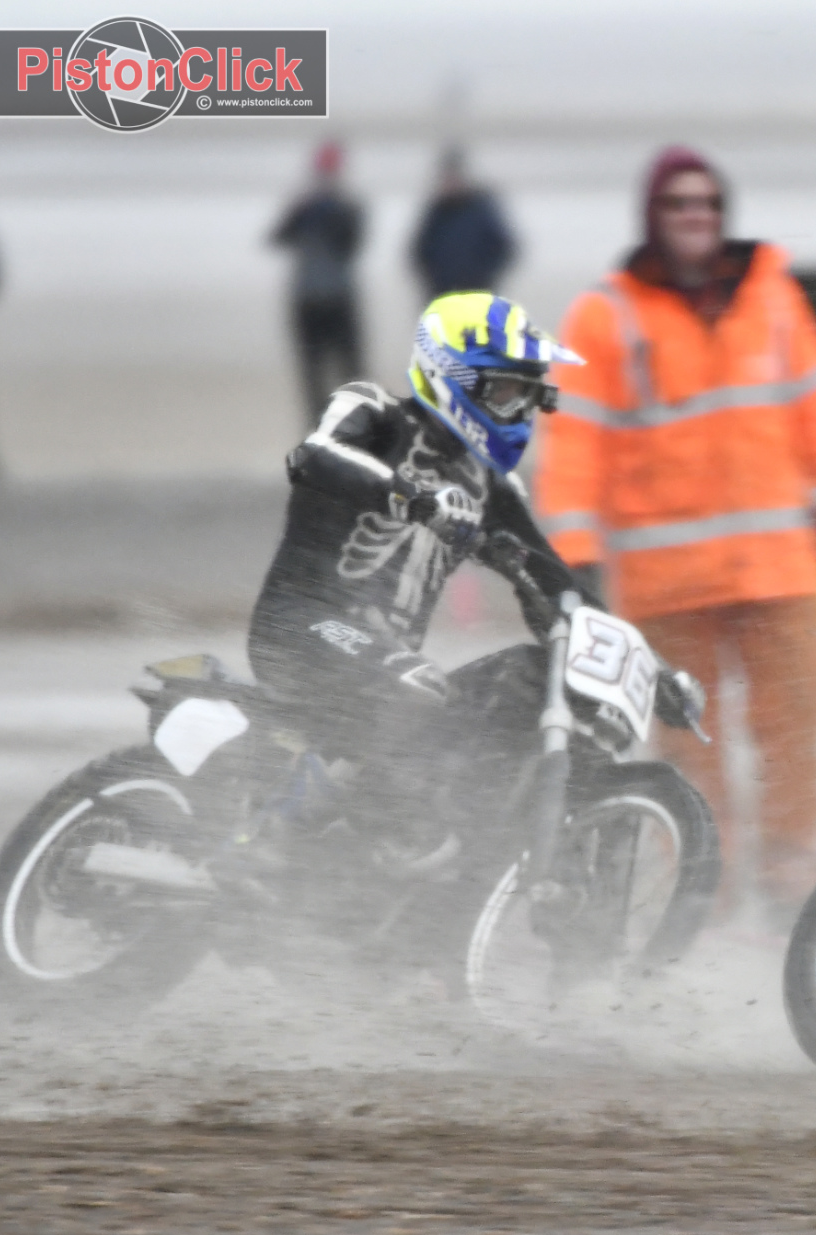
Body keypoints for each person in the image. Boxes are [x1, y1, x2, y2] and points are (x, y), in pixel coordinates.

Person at [535, 145, 816, 912]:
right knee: (688, 745)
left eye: (707, 205)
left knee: (795, 730)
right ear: (652, 217)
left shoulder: (772, 296)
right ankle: (706, 883)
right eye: (678, 205)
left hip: (779, 570)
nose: (695, 218)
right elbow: (575, 442)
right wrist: (574, 553)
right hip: (667, 581)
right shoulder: (607, 314)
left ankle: (791, 871)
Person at [247, 292, 594, 862]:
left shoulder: (492, 489)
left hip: (383, 663)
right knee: (416, 688)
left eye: (528, 397)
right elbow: (312, 458)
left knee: (494, 703)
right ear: (454, 377)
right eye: (507, 392)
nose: (519, 413)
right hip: (301, 627)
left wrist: (648, 666)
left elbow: (554, 579)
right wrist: (414, 497)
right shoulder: (372, 411)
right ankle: (270, 838)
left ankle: (373, 870)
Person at [272, 141, 366, 425]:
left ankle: (355, 425)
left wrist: (329, 211)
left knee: (349, 369)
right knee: (312, 372)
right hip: (307, 298)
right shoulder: (304, 207)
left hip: (338, 298)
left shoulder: (349, 208)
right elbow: (278, 237)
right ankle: (319, 426)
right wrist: (301, 210)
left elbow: (350, 244)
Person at [411, 146, 516, 299]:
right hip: (443, 295)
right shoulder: (436, 213)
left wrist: (484, 276)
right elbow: (420, 251)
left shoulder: (481, 210)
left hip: (477, 294)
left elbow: (503, 247)